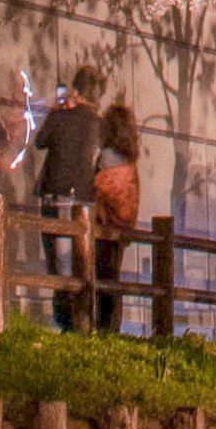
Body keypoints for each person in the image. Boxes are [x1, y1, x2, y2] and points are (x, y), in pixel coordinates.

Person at [34, 63, 104, 328]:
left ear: (76, 89)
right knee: (83, 262)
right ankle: (83, 320)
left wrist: (57, 109)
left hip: (57, 195)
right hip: (85, 199)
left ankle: (65, 322)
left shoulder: (62, 116)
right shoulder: (100, 124)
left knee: (60, 264)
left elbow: (41, 141)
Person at [87, 85, 145, 336]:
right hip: (123, 226)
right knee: (114, 274)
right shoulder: (130, 158)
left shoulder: (107, 157)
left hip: (106, 224)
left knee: (103, 275)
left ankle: (102, 325)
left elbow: (98, 186)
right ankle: (112, 326)